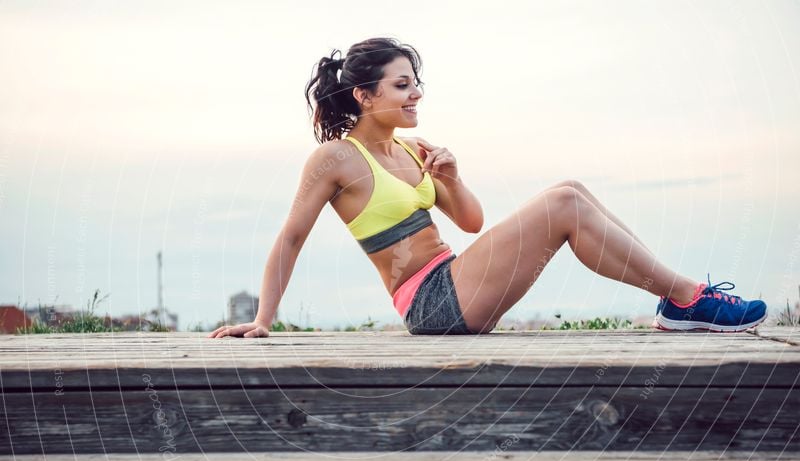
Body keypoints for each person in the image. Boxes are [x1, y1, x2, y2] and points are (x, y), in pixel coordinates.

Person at [208, 37, 767, 339]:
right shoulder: (335, 159)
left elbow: (470, 223)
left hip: (458, 281)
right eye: (402, 85)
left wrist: (451, 178)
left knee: (570, 190)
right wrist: (264, 319)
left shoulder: (411, 149)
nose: (415, 93)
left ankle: (682, 300)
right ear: (363, 96)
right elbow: (290, 238)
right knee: (565, 202)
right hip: (432, 304)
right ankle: (688, 298)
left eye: (416, 83)